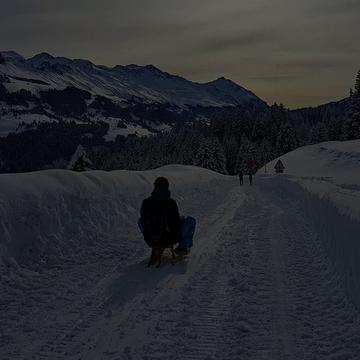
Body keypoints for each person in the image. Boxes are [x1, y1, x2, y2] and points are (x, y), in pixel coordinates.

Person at [140, 177, 182, 258]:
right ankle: (182, 248)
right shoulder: (171, 203)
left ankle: (155, 243)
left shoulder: (146, 202)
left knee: (140, 221)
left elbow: (143, 220)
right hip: (169, 239)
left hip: (149, 239)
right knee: (190, 221)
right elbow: (176, 222)